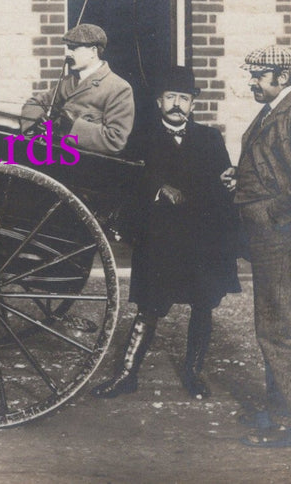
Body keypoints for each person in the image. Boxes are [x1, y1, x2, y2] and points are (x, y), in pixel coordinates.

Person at [90, 65, 240, 400]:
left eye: (183, 98)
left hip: (201, 239)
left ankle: (193, 374)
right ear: (159, 102)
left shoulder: (210, 139)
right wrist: (158, 188)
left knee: (203, 305)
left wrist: (229, 179)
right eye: (170, 97)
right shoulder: (140, 138)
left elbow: (221, 184)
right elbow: (125, 182)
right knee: (149, 306)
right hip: (160, 239)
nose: (176, 104)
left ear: (192, 104)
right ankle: (127, 375)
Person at [221, 45, 291, 449]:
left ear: (281, 78)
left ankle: (289, 421)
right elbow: (275, 164)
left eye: (258, 75)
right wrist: (243, 177)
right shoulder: (274, 110)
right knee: (270, 320)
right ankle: (278, 408)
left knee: (276, 324)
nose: (251, 81)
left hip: (279, 233)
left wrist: (275, 212)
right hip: (267, 232)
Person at [20, 23, 135, 155]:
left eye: (74, 48)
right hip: (56, 157)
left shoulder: (118, 88)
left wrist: (71, 127)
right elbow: (34, 103)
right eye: (68, 48)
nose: (68, 53)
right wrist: (36, 124)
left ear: (93, 51)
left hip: (87, 168)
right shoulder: (67, 82)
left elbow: (115, 141)